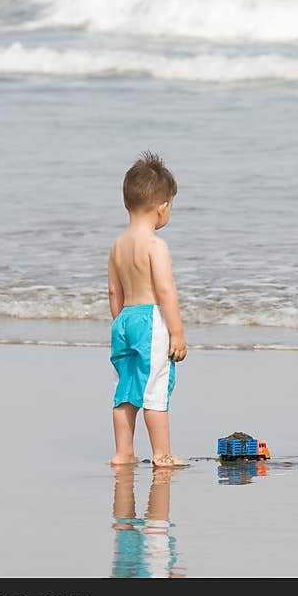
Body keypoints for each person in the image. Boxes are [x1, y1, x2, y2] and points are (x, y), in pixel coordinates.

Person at [108, 151, 187, 467]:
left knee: (125, 390)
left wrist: (121, 322)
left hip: (124, 320)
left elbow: (115, 290)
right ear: (162, 207)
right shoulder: (156, 246)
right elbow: (165, 290)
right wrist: (177, 331)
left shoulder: (117, 246)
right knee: (155, 389)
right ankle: (161, 454)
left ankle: (123, 452)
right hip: (151, 320)